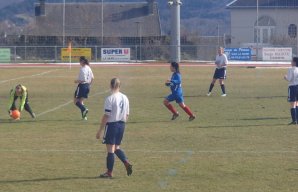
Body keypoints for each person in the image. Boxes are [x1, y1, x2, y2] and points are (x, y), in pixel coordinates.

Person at [96, 78, 132, 178]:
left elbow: (106, 115)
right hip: (122, 124)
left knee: (110, 150)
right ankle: (126, 161)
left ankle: (109, 172)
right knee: (116, 147)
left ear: (111, 85)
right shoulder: (125, 97)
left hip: (112, 125)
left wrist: (100, 130)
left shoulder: (110, 98)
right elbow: (127, 114)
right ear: (119, 86)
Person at [74, 56, 94, 120]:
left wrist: (76, 81)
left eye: (80, 61)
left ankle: (84, 109)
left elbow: (83, 80)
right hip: (87, 86)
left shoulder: (82, 69)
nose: (79, 62)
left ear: (82, 61)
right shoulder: (89, 68)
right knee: (81, 101)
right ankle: (84, 117)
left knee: (75, 101)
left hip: (82, 86)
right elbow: (92, 78)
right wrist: (89, 85)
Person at [284, 57, 298, 125]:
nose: (291, 62)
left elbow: (289, 79)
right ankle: (297, 119)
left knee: (292, 104)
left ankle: (294, 120)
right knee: (297, 103)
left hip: (292, 87)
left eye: (291, 61)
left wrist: (285, 77)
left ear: (294, 62)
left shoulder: (290, 69)